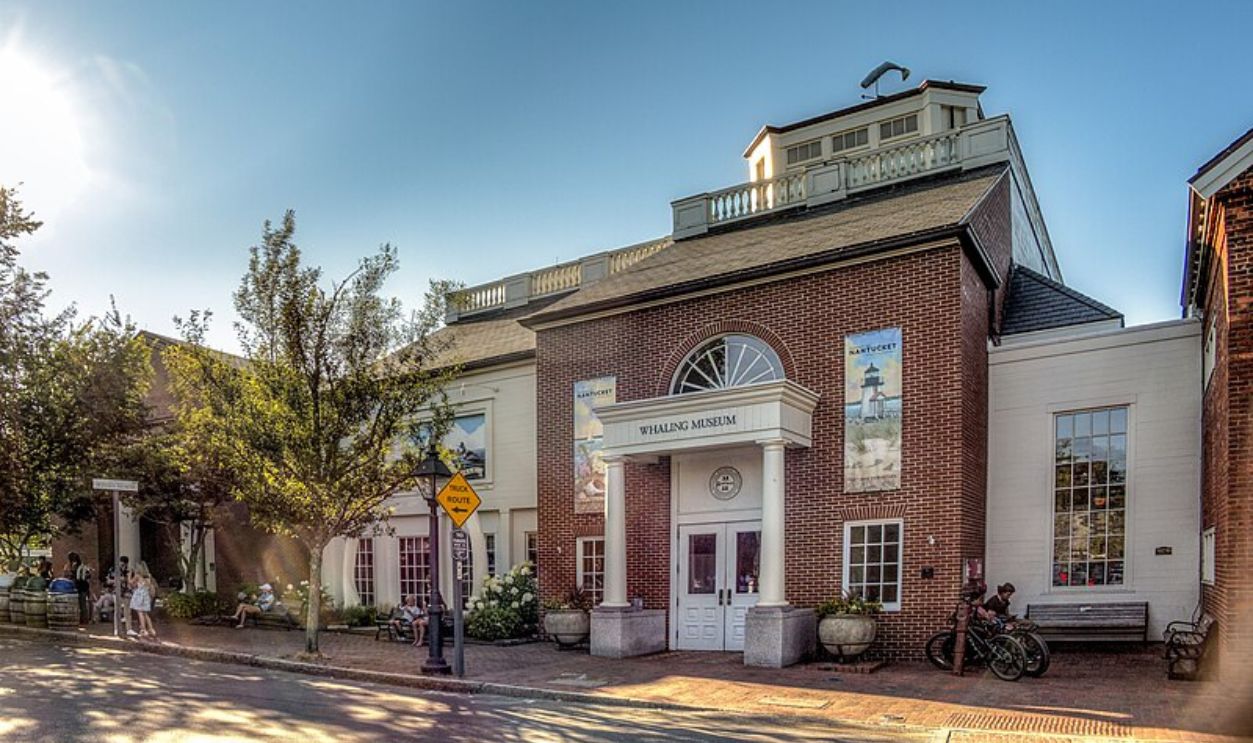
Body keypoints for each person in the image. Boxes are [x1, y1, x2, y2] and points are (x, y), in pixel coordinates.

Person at [128, 561, 157, 640]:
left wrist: (129, 575)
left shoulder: (138, 576)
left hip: (139, 595)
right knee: (146, 613)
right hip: (146, 595)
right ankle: (151, 629)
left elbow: (131, 583)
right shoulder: (148, 576)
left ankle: (143, 629)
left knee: (140, 613)